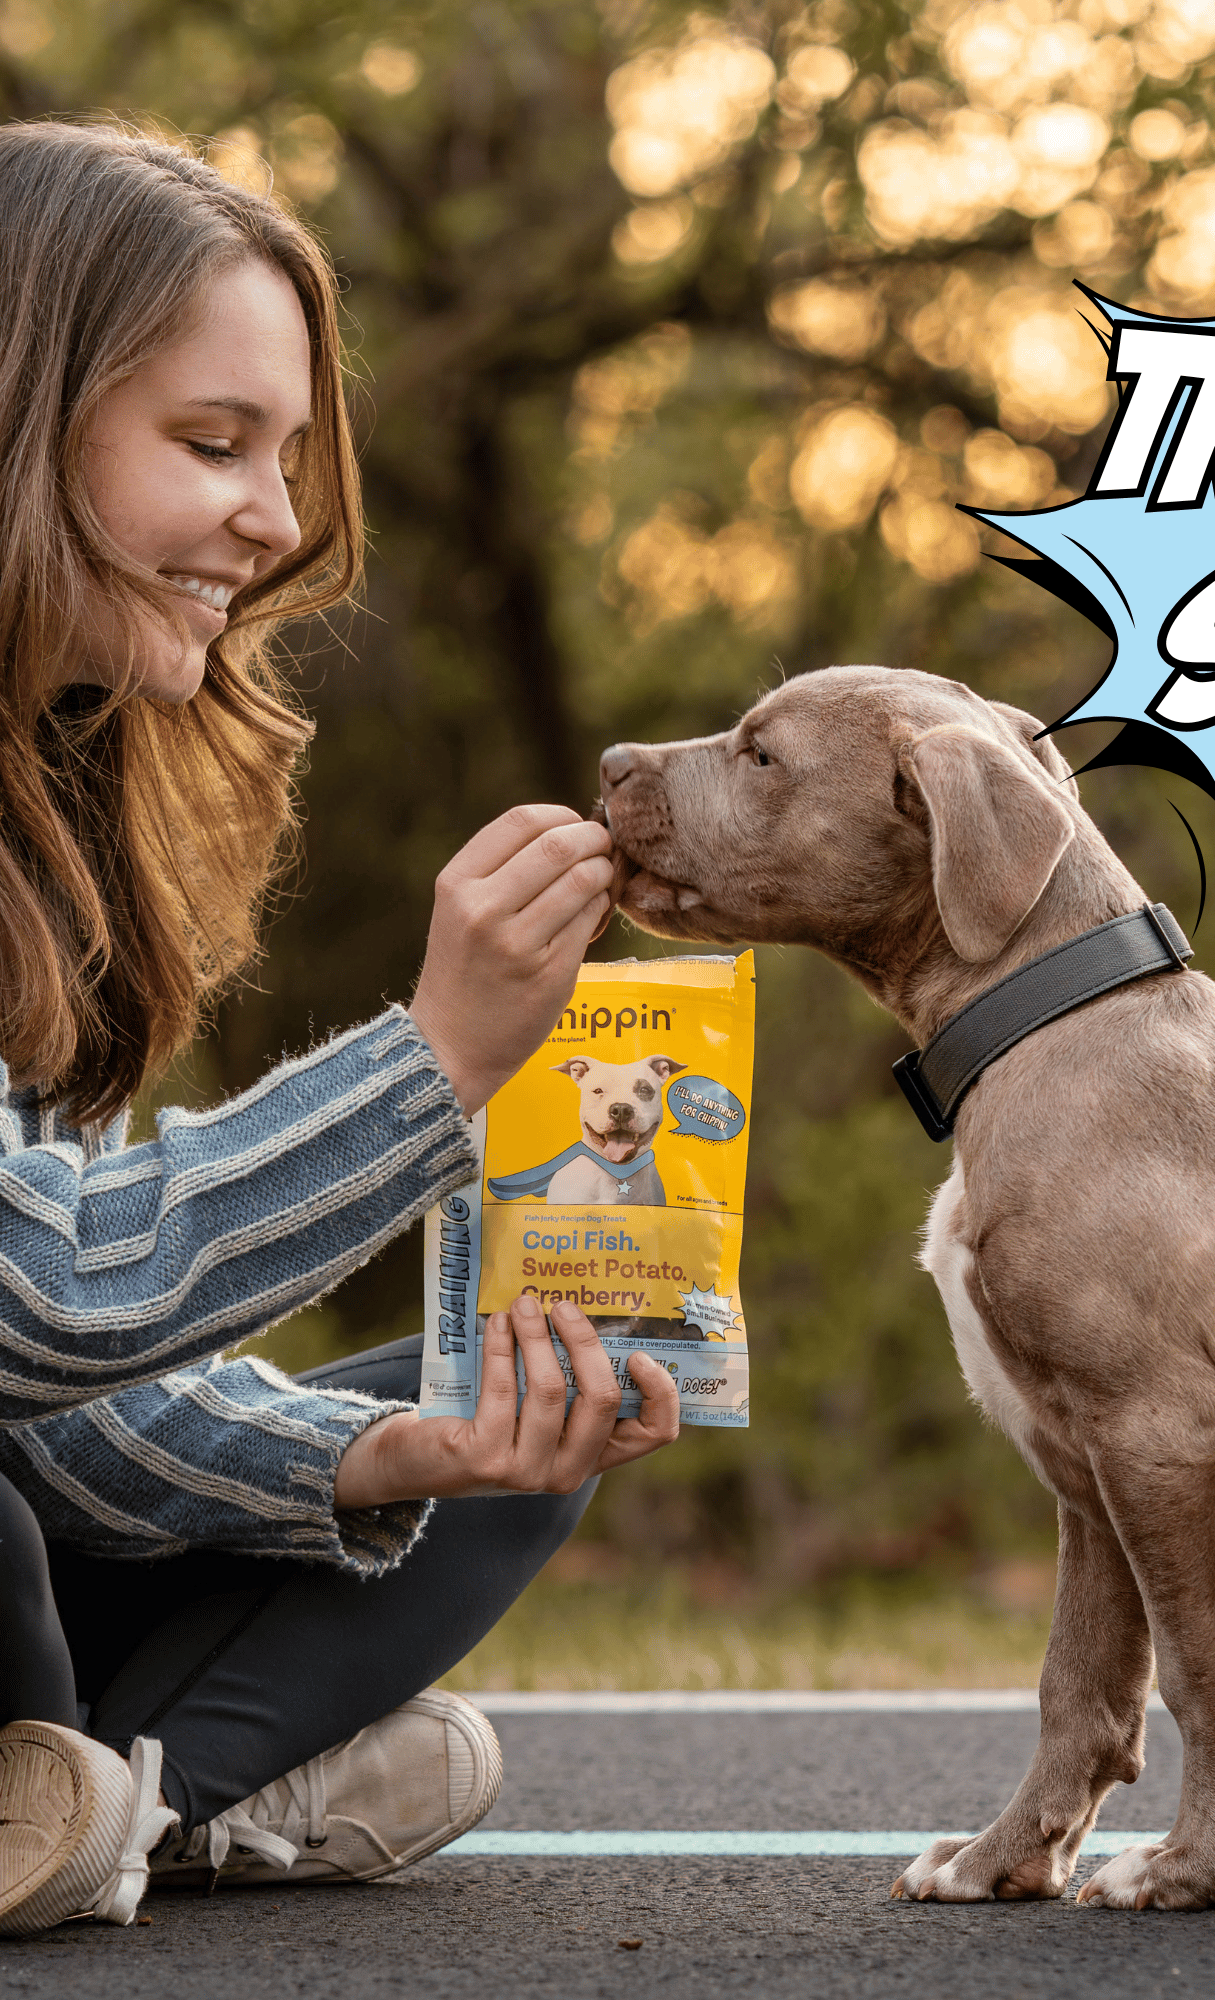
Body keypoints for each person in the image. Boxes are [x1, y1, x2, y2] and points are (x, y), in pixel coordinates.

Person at [0, 118, 674, 1934]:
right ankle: (168, 1799)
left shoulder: (53, 824)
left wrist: (377, 1463)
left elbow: (55, 1406)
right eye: (212, 446)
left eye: (285, 456)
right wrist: (439, 1060)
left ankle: (89, 1813)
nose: (278, 521)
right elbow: (37, 1297)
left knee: (524, 1405)